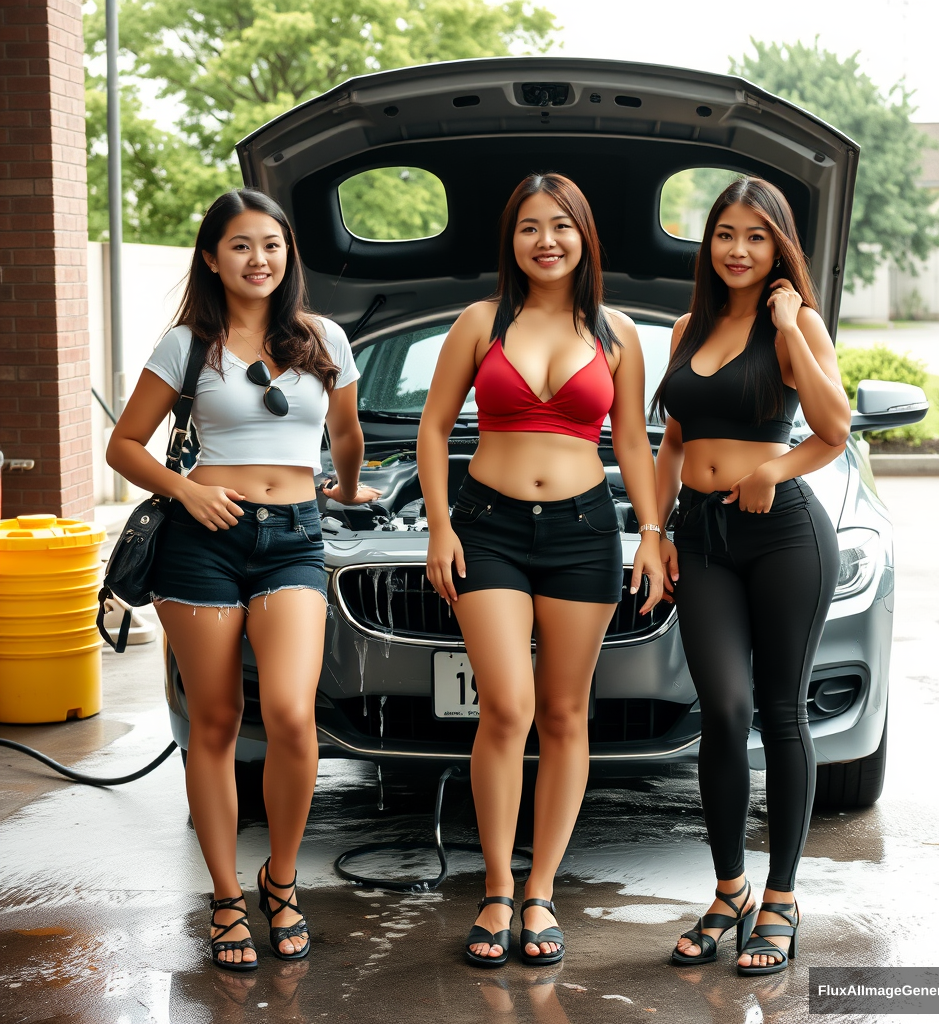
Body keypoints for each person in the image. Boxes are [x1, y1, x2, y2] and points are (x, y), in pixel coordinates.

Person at [106, 189, 379, 971]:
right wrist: (184, 487)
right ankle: (227, 897)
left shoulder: (324, 337)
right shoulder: (187, 344)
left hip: (294, 537)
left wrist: (348, 486)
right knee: (217, 723)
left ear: (289, 254)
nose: (259, 259)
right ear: (210, 257)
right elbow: (124, 445)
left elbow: (346, 431)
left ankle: (281, 880)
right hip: (201, 542)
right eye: (240, 246)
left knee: (293, 715)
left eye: (272, 244)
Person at [418, 173, 664, 967]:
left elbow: (633, 443)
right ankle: (495, 887)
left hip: (584, 530)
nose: (546, 240)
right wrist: (439, 527)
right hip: (487, 528)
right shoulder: (480, 321)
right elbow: (431, 428)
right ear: (511, 241)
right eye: (529, 227)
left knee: (565, 715)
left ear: (585, 237)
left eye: (561, 226)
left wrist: (652, 531)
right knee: (507, 708)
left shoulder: (618, 333)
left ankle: (541, 891)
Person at [652, 177, 848, 976]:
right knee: (724, 712)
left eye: (756, 237)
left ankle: (782, 899)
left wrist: (788, 322)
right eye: (725, 234)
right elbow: (672, 442)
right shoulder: (684, 329)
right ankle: (729, 889)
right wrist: (654, 531)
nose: (738, 250)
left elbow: (831, 427)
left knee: (781, 710)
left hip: (783, 536)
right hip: (700, 536)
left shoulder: (796, 322)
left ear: (779, 248)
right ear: (710, 243)